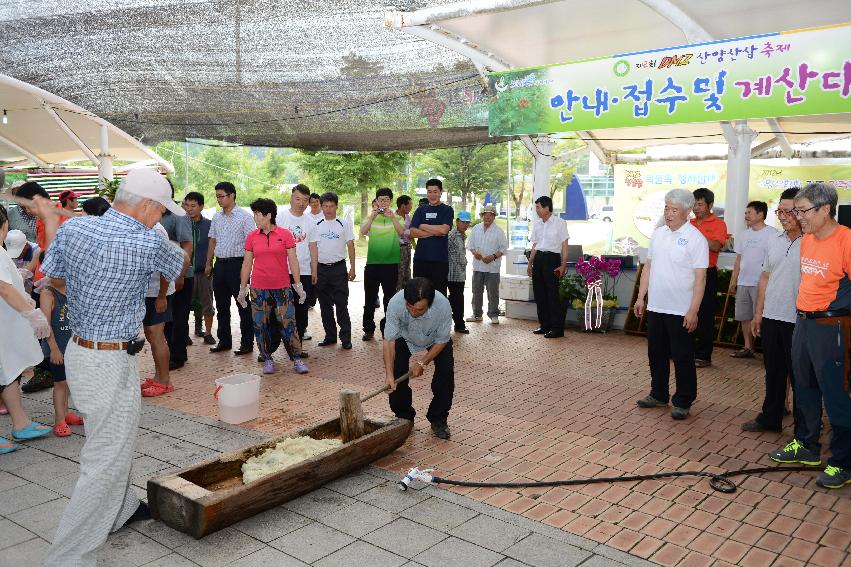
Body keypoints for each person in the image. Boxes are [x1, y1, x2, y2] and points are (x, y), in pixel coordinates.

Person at [41, 168, 187, 566]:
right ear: (146, 205)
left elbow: (52, 275)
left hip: (83, 353)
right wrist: (161, 239)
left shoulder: (73, 229)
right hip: (108, 363)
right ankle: (67, 556)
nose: (161, 218)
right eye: (160, 212)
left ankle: (122, 508)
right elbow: (178, 270)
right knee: (105, 458)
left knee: (113, 439)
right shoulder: (147, 240)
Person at [769, 183, 851, 489]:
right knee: (804, 388)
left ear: (825, 209)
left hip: (832, 328)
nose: (798, 216)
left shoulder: (846, 240)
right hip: (802, 323)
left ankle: (843, 462)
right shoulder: (808, 240)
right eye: (795, 211)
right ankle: (807, 446)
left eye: (803, 211)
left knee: (836, 395)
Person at [634, 189, 708, 420]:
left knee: (682, 356)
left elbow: (700, 278)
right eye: (666, 208)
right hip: (657, 306)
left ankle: (683, 400)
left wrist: (693, 310)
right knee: (655, 353)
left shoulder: (696, 239)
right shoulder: (658, 235)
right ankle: (658, 394)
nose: (669, 213)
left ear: (688, 212)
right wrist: (640, 297)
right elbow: (648, 267)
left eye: (674, 209)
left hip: (681, 309)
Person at [744, 188, 802, 433]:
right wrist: (758, 313)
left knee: (800, 376)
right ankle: (771, 417)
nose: (784, 216)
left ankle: (805, 426)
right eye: (780, 211)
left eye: (789, 211)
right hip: (772, 316)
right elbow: (765, 278)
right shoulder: (774, 241)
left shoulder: (812, 242)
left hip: (799, 320)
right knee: (774, 371)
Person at [0, 203, 52, 455]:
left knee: (9, 373)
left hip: (6, 327)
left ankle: (21, 422)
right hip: (4, 325)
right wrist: (32, 313)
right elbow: (4, 288)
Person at [238, 198, 308, 375]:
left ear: (268, 215)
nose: (255, 217)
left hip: (282, 288)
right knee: (260, 325)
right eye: (254, 213)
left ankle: (297, 359)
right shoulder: (252, 237)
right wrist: (242, 287)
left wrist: (298, 284)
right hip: (259, 289)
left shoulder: (284, 234)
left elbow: (293, 260)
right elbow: (247, 264)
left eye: (257, 214)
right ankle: (267, 358)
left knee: (288, 324)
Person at [384, 277, 454, 439]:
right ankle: (403, 416)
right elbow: (389, 342)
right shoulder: (395, 304)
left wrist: (423, 362)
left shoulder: (442, 306)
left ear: (429, 303)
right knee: (396, 371)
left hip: (435, 339)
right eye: (409, 307)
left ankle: (438, 418)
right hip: (405, 336)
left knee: (445, 371)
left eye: (419, 310)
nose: (413, 312)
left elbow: (442, 340)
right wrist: (389, 375)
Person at [205, 181, 256, 355]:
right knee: (221, 306)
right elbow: (212, 240)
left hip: (238, 265)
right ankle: (224, 341)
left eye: (221, 196)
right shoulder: (217, 217)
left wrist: (247, 269)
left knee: (243, 304)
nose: (218, 199)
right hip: (219, 265)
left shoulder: (245, 217)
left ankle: (247, 343)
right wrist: (208, 263)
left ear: (232, 195)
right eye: (217, 196)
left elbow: (252, 243)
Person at [728, 200, 776, 358]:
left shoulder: (773, 234)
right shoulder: (744, 234)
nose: (746, 216)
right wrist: (734, 280)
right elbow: (738, 259)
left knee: (761, 316)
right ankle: (748, 347)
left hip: (761, 284)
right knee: (744, 316)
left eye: (749, 212)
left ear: (761, 214)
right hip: (743, 282)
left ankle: (768, 350)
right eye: (745, 213)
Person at [39, 277, 85, 436]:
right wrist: (54, 349)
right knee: (61, 383)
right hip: (57, 347)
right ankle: (59, 419)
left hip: (72, 347)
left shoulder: (72, 288)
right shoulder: (48, 293)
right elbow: (45, 325)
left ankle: (65, 413)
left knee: (69, 382)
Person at [690, 188, 728, 368]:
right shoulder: (687, 223)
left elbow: (716, 246)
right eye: (694, 204)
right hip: (686, 274)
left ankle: (703, 355)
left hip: (707, 273)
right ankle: (684, 350)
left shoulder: (719, 224)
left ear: (710, 205)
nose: (696, 208)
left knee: (705, 313)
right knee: (685, 311)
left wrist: (697, 237)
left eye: (700, 204)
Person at [277, 184, 318, 347]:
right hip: (282, 272)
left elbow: (313, 247)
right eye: (298, 199)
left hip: (304, 272)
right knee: (282, 310)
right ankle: (280, 344)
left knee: (301, 311)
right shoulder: (280, 218)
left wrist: (314, 270)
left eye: (305, 200)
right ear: (291, 198)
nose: (301, 203)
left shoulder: (310, 221)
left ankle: (298, 345)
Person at [361, 187, 404, 340]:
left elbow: (402, 233)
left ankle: (389, 327)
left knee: (390, 298)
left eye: (386, 199)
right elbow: (363, 231)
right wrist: (372, 217)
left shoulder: (397, 217)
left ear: (390, 201)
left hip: (391, 263)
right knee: (370, 298)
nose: (383, 202)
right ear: (377, 201)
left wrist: (392, 217)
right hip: (372, 264)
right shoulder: (370, 216)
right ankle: (368, 329)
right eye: (381, 199)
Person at [139, 222, 177, 398]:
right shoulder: (141, 226)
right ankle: (158, 376)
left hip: (157, 292)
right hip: (146, 292)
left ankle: (165, 382)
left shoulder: (157, 230)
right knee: (150, 334)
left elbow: (166, 267)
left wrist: (162, 296)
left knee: (157, 335)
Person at [314, 192, 356, 349]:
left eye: (331, 206)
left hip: (339, 268)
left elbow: (350, 245)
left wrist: (352, 267)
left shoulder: (343, 223)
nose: (328, 209)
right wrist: (314, 271)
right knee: (324, 305)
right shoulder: (316, 224)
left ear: (336, 206)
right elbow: (313, 248)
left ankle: (346, 338)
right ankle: (330, 336)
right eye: (325, 206)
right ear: (321, 206)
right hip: (321, 269)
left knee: (341, 304)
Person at [160, 182, 194, 370]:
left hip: (181, 275)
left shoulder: (179, 215)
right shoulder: (156, 214)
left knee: (178, 318)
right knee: (167, 319)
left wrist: (180, 275)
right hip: (163, 276)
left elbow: (187, 245)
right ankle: (172, 352)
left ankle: (178, 356)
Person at [527, 196, 569, 338]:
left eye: (538, 207)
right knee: (539, 294)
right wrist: (530, 263)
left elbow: (564, 245)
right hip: (538, 259)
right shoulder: (537, 224)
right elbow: (535, 245)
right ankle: (545, 325)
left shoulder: (560, 223)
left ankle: (557, 328)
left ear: (546, 208)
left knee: (553, 295)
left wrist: (563, 265)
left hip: (552, 259)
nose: (537, 210)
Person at [409, 178, 453, 295]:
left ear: (440, 192)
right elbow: (412, 232)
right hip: (420, 260)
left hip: (439, 261)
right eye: (429, 191)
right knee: (419, 294)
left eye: (435, 191)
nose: (432, 195)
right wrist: (435, 231)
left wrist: (423, 225)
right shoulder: (420, 210)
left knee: (439, 295)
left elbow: (444, 230)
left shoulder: (447, 210)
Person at [183, 192, 216, 344]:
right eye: (186, 205)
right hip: (185, 272)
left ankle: (208, 333)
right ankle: (185, 334)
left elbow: (214, 245)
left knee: (207, 303)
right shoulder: (181, 223)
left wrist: (209, 264)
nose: (189, 209)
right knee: (184, 304)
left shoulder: (209, 225)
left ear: (201, 207)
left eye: (193, 206)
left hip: (205, 272)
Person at [466, 204, 508, 324]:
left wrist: (493, 256)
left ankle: (494, 315)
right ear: (482, 216)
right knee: (476, 291)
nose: (488, 217)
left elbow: (504, 249)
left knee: (493, 292)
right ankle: (477, 314)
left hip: (492, 268)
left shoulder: (499, 232)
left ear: (494, 217)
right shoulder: (476, 229)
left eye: (490, 215)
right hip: (478, 266)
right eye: (486, 215)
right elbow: (470, 245)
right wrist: (475, 253)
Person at [447, 210, 471, 333]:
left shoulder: (461, 235)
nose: (465, 225)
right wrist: (465, 262)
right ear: (457, 222)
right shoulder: (453, 235)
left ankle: (458, 322)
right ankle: (459, 324)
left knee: (455, 299)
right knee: (457, 299)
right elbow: (461, 257)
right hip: (453, 273)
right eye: (463, 222)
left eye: (467, 222)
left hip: (457, 273)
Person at [4, 228, 39, 294]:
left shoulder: (37, 252)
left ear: (26, 245)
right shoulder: (8, 255)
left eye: (18, 252)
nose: (16, 256)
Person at [396, 195, 414, 290]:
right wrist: (410, 233)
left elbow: (411, 230)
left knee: (407, 272)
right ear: (403, 206)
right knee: (399, 274)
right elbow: (402, 233)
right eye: (410, 204)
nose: (411, 207)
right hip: (398, 248)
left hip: (407, 248)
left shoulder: (408, 217)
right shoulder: (393, 217)